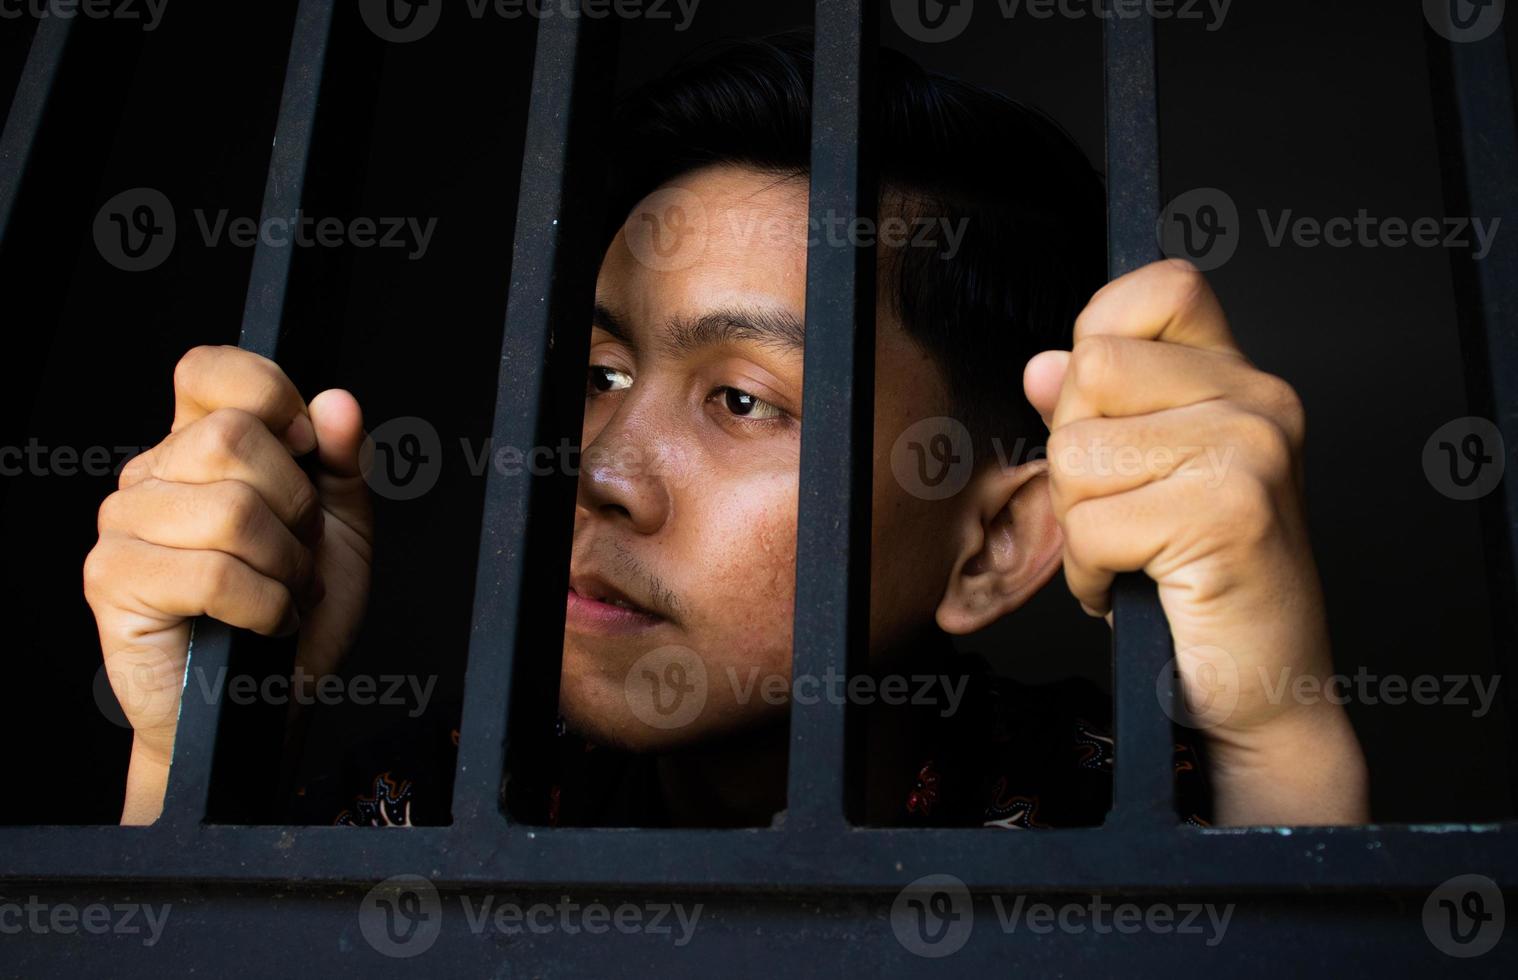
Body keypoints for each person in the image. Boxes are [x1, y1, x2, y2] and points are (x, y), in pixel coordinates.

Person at [83, 32, 1367, 829]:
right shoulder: (450, 797)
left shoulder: (1111, 814)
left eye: (742, 399)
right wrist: (199, 744)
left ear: (995, 543)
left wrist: (1279, 735)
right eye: (598, 370)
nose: (600, 470)